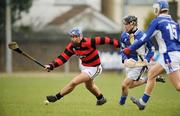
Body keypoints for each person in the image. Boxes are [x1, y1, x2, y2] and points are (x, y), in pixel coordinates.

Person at [123, 1, 180, 110]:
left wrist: (130, 49)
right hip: (173, 54)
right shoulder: (174, 23)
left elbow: (144, 38)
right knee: (152, 73)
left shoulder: (157, 22)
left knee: (178, 86)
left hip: (169, 56)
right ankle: (142, 102)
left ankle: (143, 102)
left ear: (157, 9)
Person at [44, 27, 120, 105]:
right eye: (72, 37)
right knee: (89, 86)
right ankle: (101, 99)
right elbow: (63, 57)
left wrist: (117, 44)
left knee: (74, 82)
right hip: (86, 67)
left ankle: (56, 97)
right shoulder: (71, 47)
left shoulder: (88, 42)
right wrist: (52, 65)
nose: (73, 39)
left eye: (76, 36)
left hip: (95, 68)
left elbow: (104, 39)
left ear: (80, 36)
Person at [119, 15, 164, 105]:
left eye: (126, 24)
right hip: (129, 64)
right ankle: (147, 79)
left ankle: (121, 103)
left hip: (139, 64)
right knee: (130, 86)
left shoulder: (143, 35)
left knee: (125, 84)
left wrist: (146, 60)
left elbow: (151, 49)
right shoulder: (123, 35)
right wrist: (124, 60)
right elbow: (122, 50)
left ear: (133, 24)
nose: (125, 26)